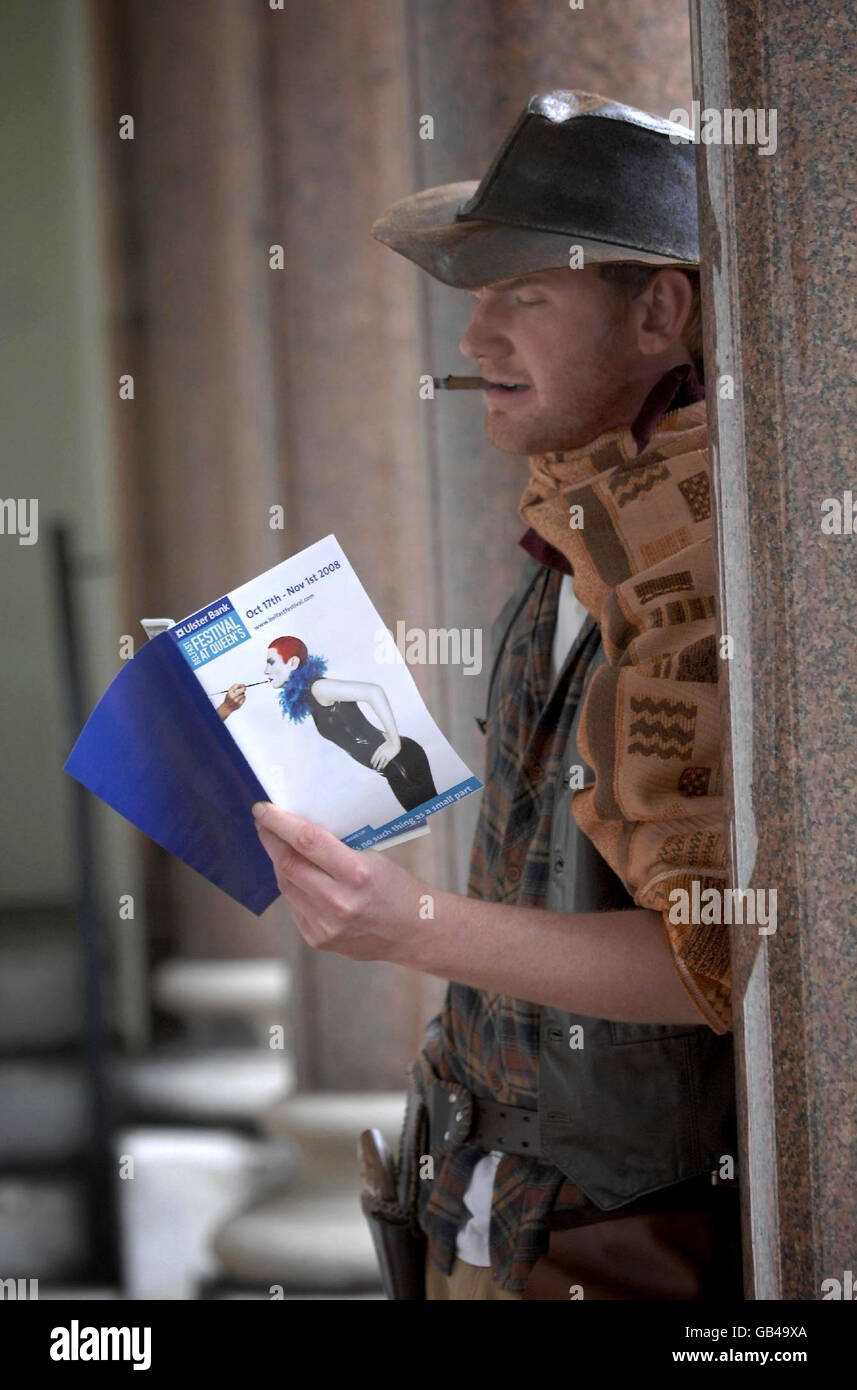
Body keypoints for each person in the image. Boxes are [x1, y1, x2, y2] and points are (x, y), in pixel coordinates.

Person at [250, 90, 740, 1301]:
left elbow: (717, 956)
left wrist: (406, 923)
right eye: (475, 301)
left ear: (658, 311)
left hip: (611, 1251)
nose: (473, 345)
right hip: (473, 1216)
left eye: (523, 295)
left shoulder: (715, 565)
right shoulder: (576, 531)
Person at [217, 634, 438, 812]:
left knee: (430, 818)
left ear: (293, 662)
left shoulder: (318, 688)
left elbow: (373, 691)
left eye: (271, 662)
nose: (266, 671)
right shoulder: (310, 696)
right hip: (394, 766)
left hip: (401, 763)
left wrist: (394, 742)